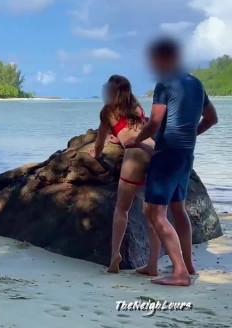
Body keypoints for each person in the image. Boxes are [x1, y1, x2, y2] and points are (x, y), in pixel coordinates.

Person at [124, 37, 218, 286]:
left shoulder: (164, 83)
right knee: (178, 209)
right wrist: (190, 135)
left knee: (155, 213)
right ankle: (184, 266)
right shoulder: (196, 84)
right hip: (186, 155)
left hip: (167, 155)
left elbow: (154, 122)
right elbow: (211, 118)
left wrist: (136, 139)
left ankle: (179, 273)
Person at [89, 75, 159, 274]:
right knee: (152, 214)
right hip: (154, 152)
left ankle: (115, 256)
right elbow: (141, 129)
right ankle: (153, 263)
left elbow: (100, 142)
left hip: (135, 155)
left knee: (122, 209)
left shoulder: (107, 111)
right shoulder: (136, 106)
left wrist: (96, 153)